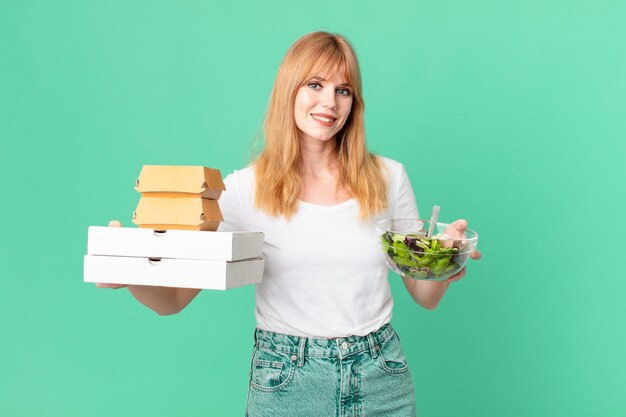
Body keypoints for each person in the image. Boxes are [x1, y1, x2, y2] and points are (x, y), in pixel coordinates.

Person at [98, 31, 481, 417]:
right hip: (286, 380)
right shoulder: (244, 189)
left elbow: (423, 296)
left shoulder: (388, 178)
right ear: (290, 90)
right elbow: (173, 300)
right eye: (315, 85)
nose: (329, 102)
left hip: (380, 375)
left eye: (343, 90)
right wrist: (128, 272)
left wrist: (443, 261)